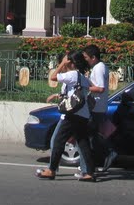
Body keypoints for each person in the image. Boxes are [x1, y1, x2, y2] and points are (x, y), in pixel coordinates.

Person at [36, 50, 96, 181]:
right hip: (83, 114)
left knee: (58, 140)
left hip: (72, 115)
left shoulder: (72, 75)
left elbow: (52, 78)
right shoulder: (81, 76)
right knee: (83, 142)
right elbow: (90, 87)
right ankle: (89, 172)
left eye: (66, 60)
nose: (64, 62)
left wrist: (61, 64)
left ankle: (51, 170)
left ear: (71, 63)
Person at [83, 44, 118, 173]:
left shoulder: (98, 68)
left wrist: (83, 87)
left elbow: (100, 88)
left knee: (92, 137)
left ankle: (108, 153)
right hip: (98, 106)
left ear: (93, 57)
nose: (85, 59)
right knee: (95, 135)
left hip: (96, 107)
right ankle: (97, 161)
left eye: (86, 57)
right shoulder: (100, 67)